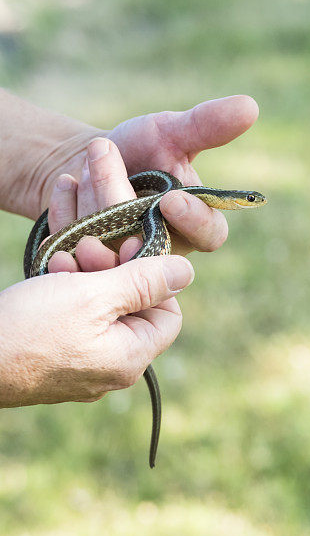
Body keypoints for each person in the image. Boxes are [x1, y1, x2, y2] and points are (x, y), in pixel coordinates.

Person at [0, 89, 259, 408]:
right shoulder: (167, 196)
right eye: (249, 198)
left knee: (158, 211)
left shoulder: (167, 193)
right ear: (228, 197)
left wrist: (59, 159)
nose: (253, 203)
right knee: (155, 212)